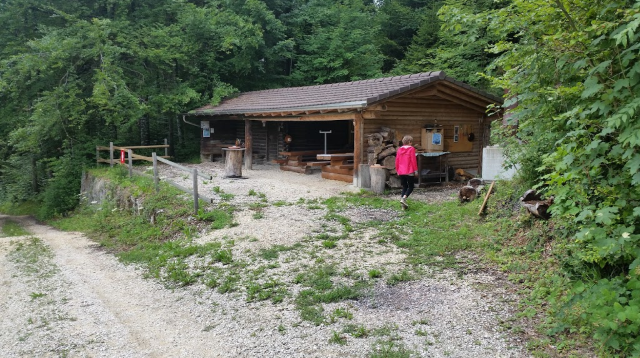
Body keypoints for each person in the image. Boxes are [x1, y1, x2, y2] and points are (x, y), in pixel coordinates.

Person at [395, 135, 418, 210]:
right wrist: (416, 170)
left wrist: (398, 170)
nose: (412, 143)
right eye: (411, 142)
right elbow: (413, 160)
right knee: (411, 187)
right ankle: (404, 198)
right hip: (409, 170)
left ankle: (403, 206)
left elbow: (397, 161)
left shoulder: (399, 150)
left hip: (401, 171)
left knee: (404, 187)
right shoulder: (411, 149)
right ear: (409, 142)